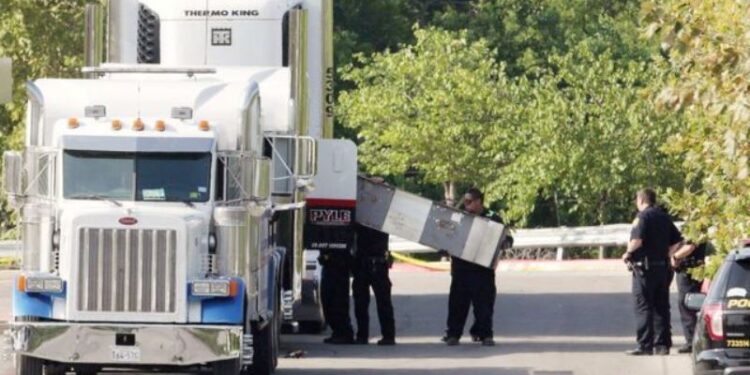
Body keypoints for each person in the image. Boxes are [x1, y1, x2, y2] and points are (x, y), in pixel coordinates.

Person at [442, 187, 512, 347]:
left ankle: (485, 334)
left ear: (479, 201)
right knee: (457, 304)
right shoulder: (459, 216)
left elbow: (507, 237)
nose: (466, 205)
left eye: (469, 201)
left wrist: (504, 243)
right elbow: (446, 234)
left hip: (482, 269)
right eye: (465, 201)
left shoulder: (492, 218)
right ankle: (453, 334)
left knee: (484, 304)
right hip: (461, 268)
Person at [622, 188, 683, 356]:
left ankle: (645, 345)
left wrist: (627, 253)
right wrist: (667, 254)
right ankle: (662, 345)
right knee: (661, 306)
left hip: (644, 269)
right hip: (662, 269)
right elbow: (678, 241)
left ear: (641, 200)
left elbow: (637, 240)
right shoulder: (664, 217)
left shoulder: (642, 217)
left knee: (643, 306)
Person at [352, 223, 396, 345]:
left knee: (375, 302)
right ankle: (386, 336)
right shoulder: (379, 217)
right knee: (377, 302)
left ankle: (365, 336)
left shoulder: (370, 217)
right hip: (372, 263)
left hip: (371, 262)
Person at [670, 239, 707, 354]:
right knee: (692, 305)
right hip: (692, 269)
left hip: (690, 270)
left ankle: (692, 342)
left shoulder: (698, 223)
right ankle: (696, 340)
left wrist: (675, 257)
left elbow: (690, 246)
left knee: (687, 304)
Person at [319, 249, 355, 344]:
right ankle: (337, 332)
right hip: (328, 263)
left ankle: (344, 332)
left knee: (338, 300)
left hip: (340, 262)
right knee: (327, 299)